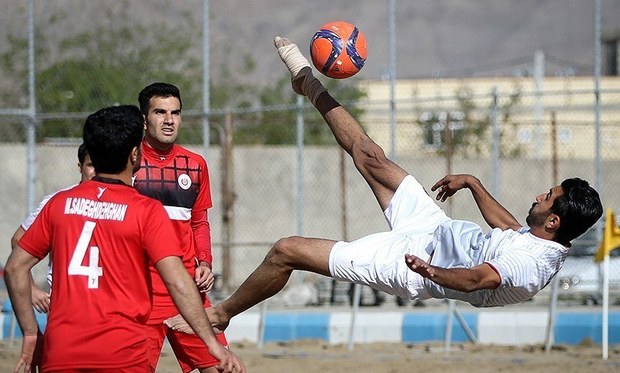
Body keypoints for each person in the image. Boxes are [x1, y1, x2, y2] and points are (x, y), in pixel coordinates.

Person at [166, 36, 603, 334]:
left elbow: (474, 280)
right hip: (435, 227)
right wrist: (471, 182)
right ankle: (307, 83)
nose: (538, 196)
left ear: (555, 220)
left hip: (407, 264)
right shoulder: (541, 236)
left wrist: (432, 271)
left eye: (547, 197)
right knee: (371, 156)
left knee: (286, 250)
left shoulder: (534, 267)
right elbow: (509, 227)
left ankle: (221, 315)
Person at [4, 105, 245, 373]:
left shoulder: (59, 204)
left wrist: (30, 333)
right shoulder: (146, 211)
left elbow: (14, 268)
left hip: (61, 353)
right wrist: (212, 343)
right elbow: (177, 281)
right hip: (122, 354)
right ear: (135, 155)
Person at [133, 82, 227, 373]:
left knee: (225, 366)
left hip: (186, 291)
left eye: (175, 112)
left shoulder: (195, 164)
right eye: (160, 112)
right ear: (144, 119)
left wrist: (206, 262)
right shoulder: (128, 161)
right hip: (140, 292)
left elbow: (199, 222)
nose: (169, 120)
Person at [9, 143, 95, 314]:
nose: (96, 172)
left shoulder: (118, 201)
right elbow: (19, 239)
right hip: (66, 304)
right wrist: (31, 289)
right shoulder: (57, 201)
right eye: (91, 165)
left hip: (106, 303)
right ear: (80, 167)